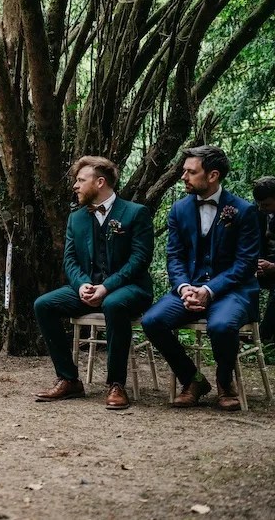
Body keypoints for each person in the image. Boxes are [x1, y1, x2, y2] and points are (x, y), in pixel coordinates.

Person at [142, 146, 261, 411]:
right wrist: (184, 288)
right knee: (152, 321)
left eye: (190, 171)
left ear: (213, 176)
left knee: (220, 326)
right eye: (184, 170)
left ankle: (224, 382)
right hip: (189, 287)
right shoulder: (179, 210)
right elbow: (174, 257)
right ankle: (193, 380)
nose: (183, 176)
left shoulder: (244, 211)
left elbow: (245, 264)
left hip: (232, 291)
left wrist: (209, 289)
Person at [32, 156, 154, 409]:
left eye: (80, 180)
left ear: (100, 182)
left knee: (113, 304)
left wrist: (106, 287)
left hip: (128, 290)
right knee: (43, 305)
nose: (75, 186)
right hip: (88, 288)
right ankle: (69, 379)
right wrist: (82, 285)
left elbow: (139, 260)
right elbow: (70, 260)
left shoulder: (135, 213)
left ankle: (116, 384)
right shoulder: (76, 218)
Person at [252, 176, 275, 343]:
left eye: (266, 204)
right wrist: (256, 264)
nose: (262, 208)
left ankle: (264, 337)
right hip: (263, 267)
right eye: (259, 204)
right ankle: (246, 328)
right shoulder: (258, 213)